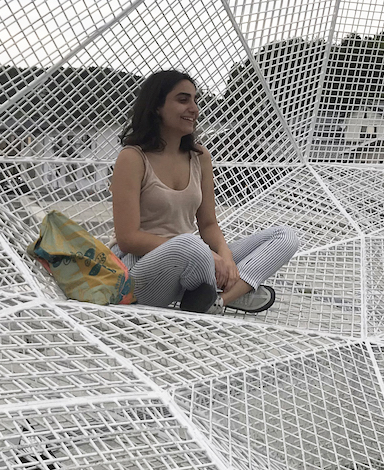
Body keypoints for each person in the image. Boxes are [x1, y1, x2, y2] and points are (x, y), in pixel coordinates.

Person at [110, 70, 299, 313]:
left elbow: (208, 224)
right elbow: (128, 238)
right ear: (157, 106)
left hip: (194, 262)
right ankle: (234, 289)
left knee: (284, 236)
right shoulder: (133, 157)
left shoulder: (199, 157)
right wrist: (209, 256)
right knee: (192, 245)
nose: (194, 109)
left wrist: (226, 258)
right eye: (183, 100)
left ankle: (219, 300)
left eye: (195, 100)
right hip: (140, 269)